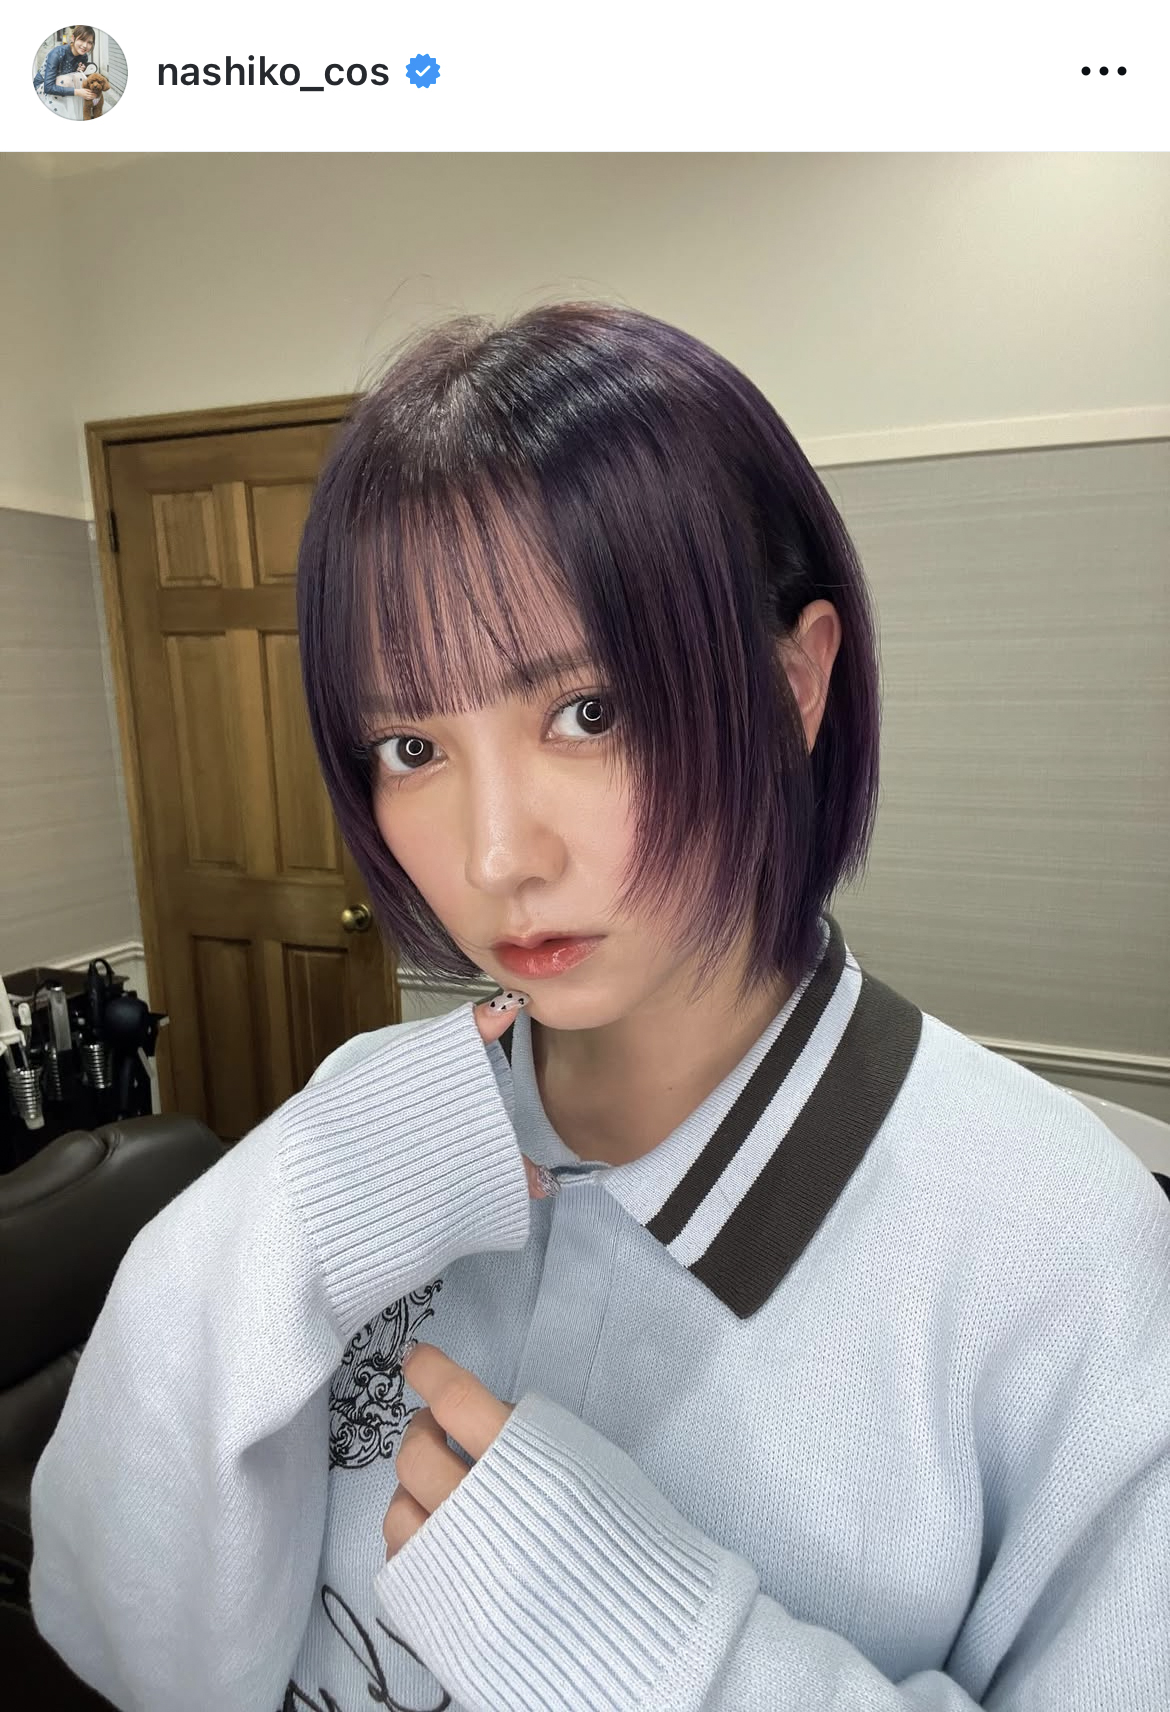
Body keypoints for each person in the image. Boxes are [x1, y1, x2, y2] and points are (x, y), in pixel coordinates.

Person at [29, 303, 1169, 1710]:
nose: (495, 855)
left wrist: (656, 1656)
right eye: (411, 743)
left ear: (793, 682)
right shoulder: (370, 1123)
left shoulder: (1062, 1247)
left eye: (588, 711)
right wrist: (284, 1221)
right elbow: (126, 1634)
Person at [33, 26, 96, 119]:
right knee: (66, 80)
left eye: (89, 42)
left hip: (62, 85)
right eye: (82, 40)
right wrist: (78, 92)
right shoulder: (57, 53)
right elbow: (48, 87)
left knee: (79, 77)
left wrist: (80, 69)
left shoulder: (83, 56)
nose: (85, 45)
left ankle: (74, 115)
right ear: (73, 38)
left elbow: (72, 73)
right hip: (43, 88)